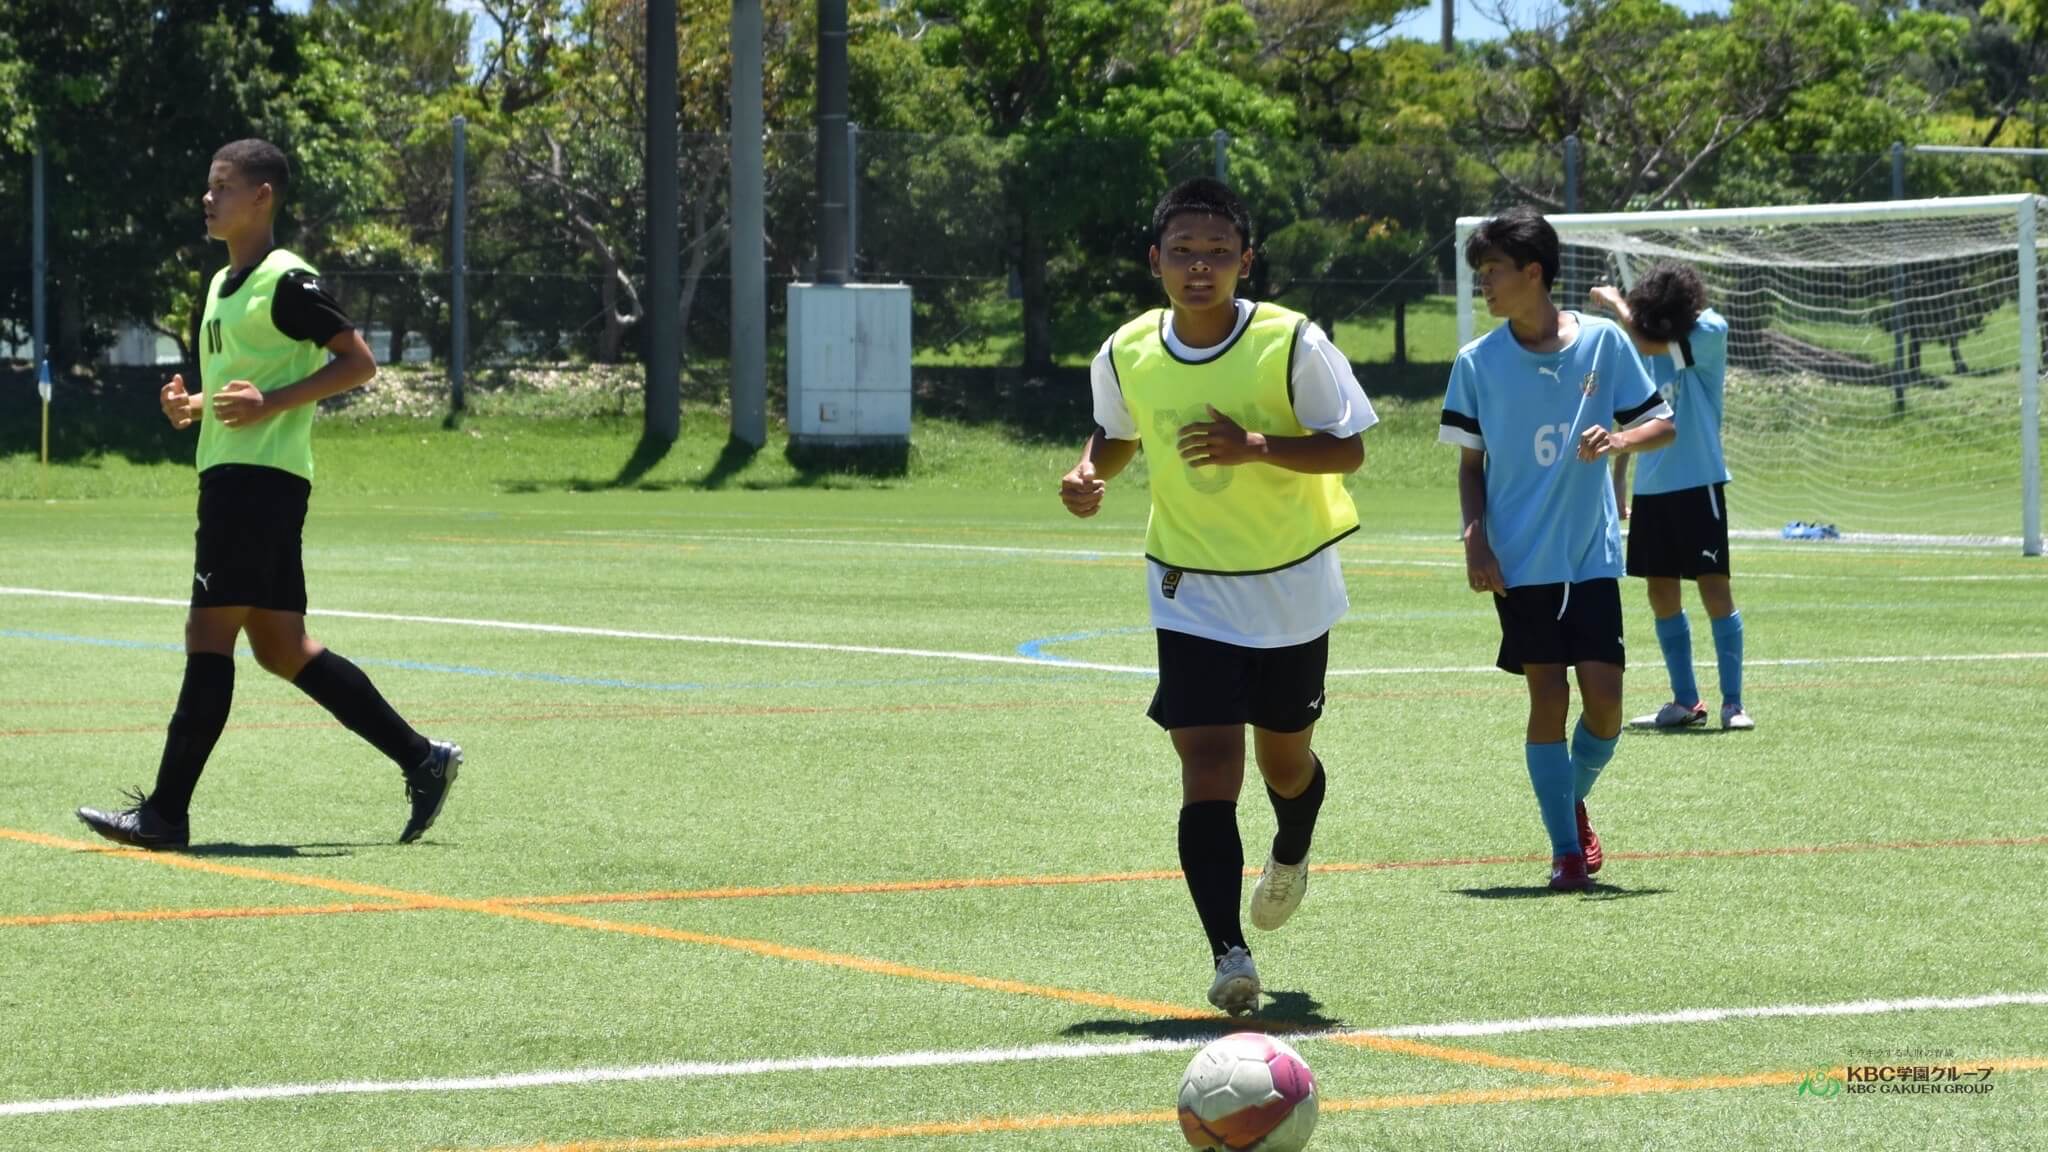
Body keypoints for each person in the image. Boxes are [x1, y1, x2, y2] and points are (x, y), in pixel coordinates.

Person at [76, 138, 459, 851]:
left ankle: (164, 814)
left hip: (256, 487)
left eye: (223, 186)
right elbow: (242, 388)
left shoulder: (287, 279)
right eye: (208, 185)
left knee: (208, 635)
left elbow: (358, 363)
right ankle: (422, 758)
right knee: (283, 649)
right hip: (236, 479)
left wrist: (272, 404)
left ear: (262, 197)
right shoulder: (224, 285)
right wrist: (192, 406)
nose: (208, 197)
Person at [1059, 178, 1376, 1015]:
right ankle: (1228, 953)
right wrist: (1089, 472)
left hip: (1292, 582)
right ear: (1155, 259)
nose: (1199, 268)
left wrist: (1256, 446)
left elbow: (1348, 450)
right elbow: (1117, 434)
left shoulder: (1292, 341)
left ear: (1245, 260)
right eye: (1183, 252)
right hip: (1188, 585)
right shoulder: (1126, 350)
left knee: (1285, 764)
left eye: (1218, 253)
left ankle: (1292, 849)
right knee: (1207, 764)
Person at [1438, 207, 1674, 892]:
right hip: (1518, 560)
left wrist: (1619, 439)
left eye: (1493, 271)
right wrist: (1475, 540)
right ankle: (1566, 852)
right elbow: (1470, 467)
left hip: (1590, 555)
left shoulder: (1603, 342)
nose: (1484, 285)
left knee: (1606, 702)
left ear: (1534, 272)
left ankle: (1568, 798)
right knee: (1547, 694)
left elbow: (1661, 423)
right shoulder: (1477, 362)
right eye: (1481, 273)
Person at [1591, 266, 1752, 731]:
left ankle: (1733, 704)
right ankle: (1685, 701)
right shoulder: (1645, 349)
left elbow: (1647, 342)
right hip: (1653, 490)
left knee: (1714, 588)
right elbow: (1636, 420)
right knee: (1660, 591)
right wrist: (1620, 479)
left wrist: (1615, 303)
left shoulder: (1709, 330)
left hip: (1699, 483)